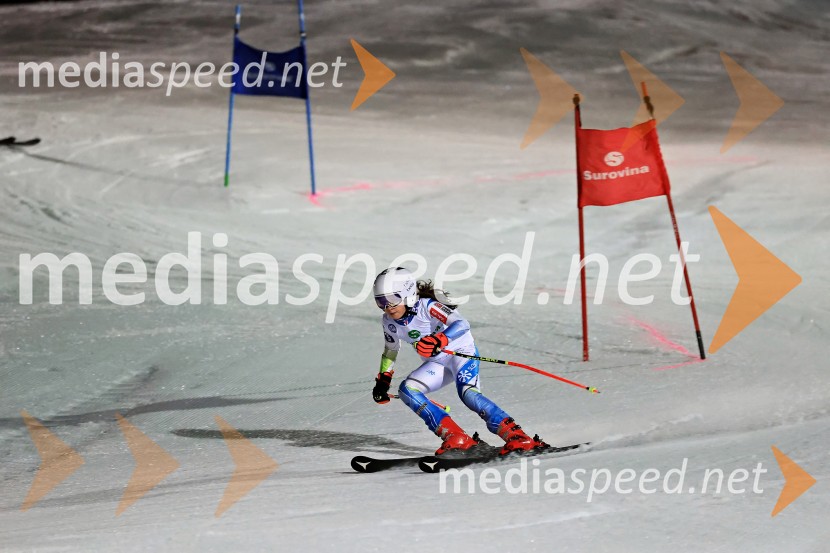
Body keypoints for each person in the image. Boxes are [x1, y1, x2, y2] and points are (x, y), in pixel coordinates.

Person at [371, 267, 547, 456]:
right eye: (381, 301)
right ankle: (456, 437)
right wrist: (384, 380)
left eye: (392, 299)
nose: (387, 306)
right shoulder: (388, 321)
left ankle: (518, 436)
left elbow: (462, 324)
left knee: (468, 394)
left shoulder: (427, 306)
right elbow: (391, 349)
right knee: (408, 390)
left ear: (407, 294)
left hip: (461, 353)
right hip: (438, 363)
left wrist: (440, 340)